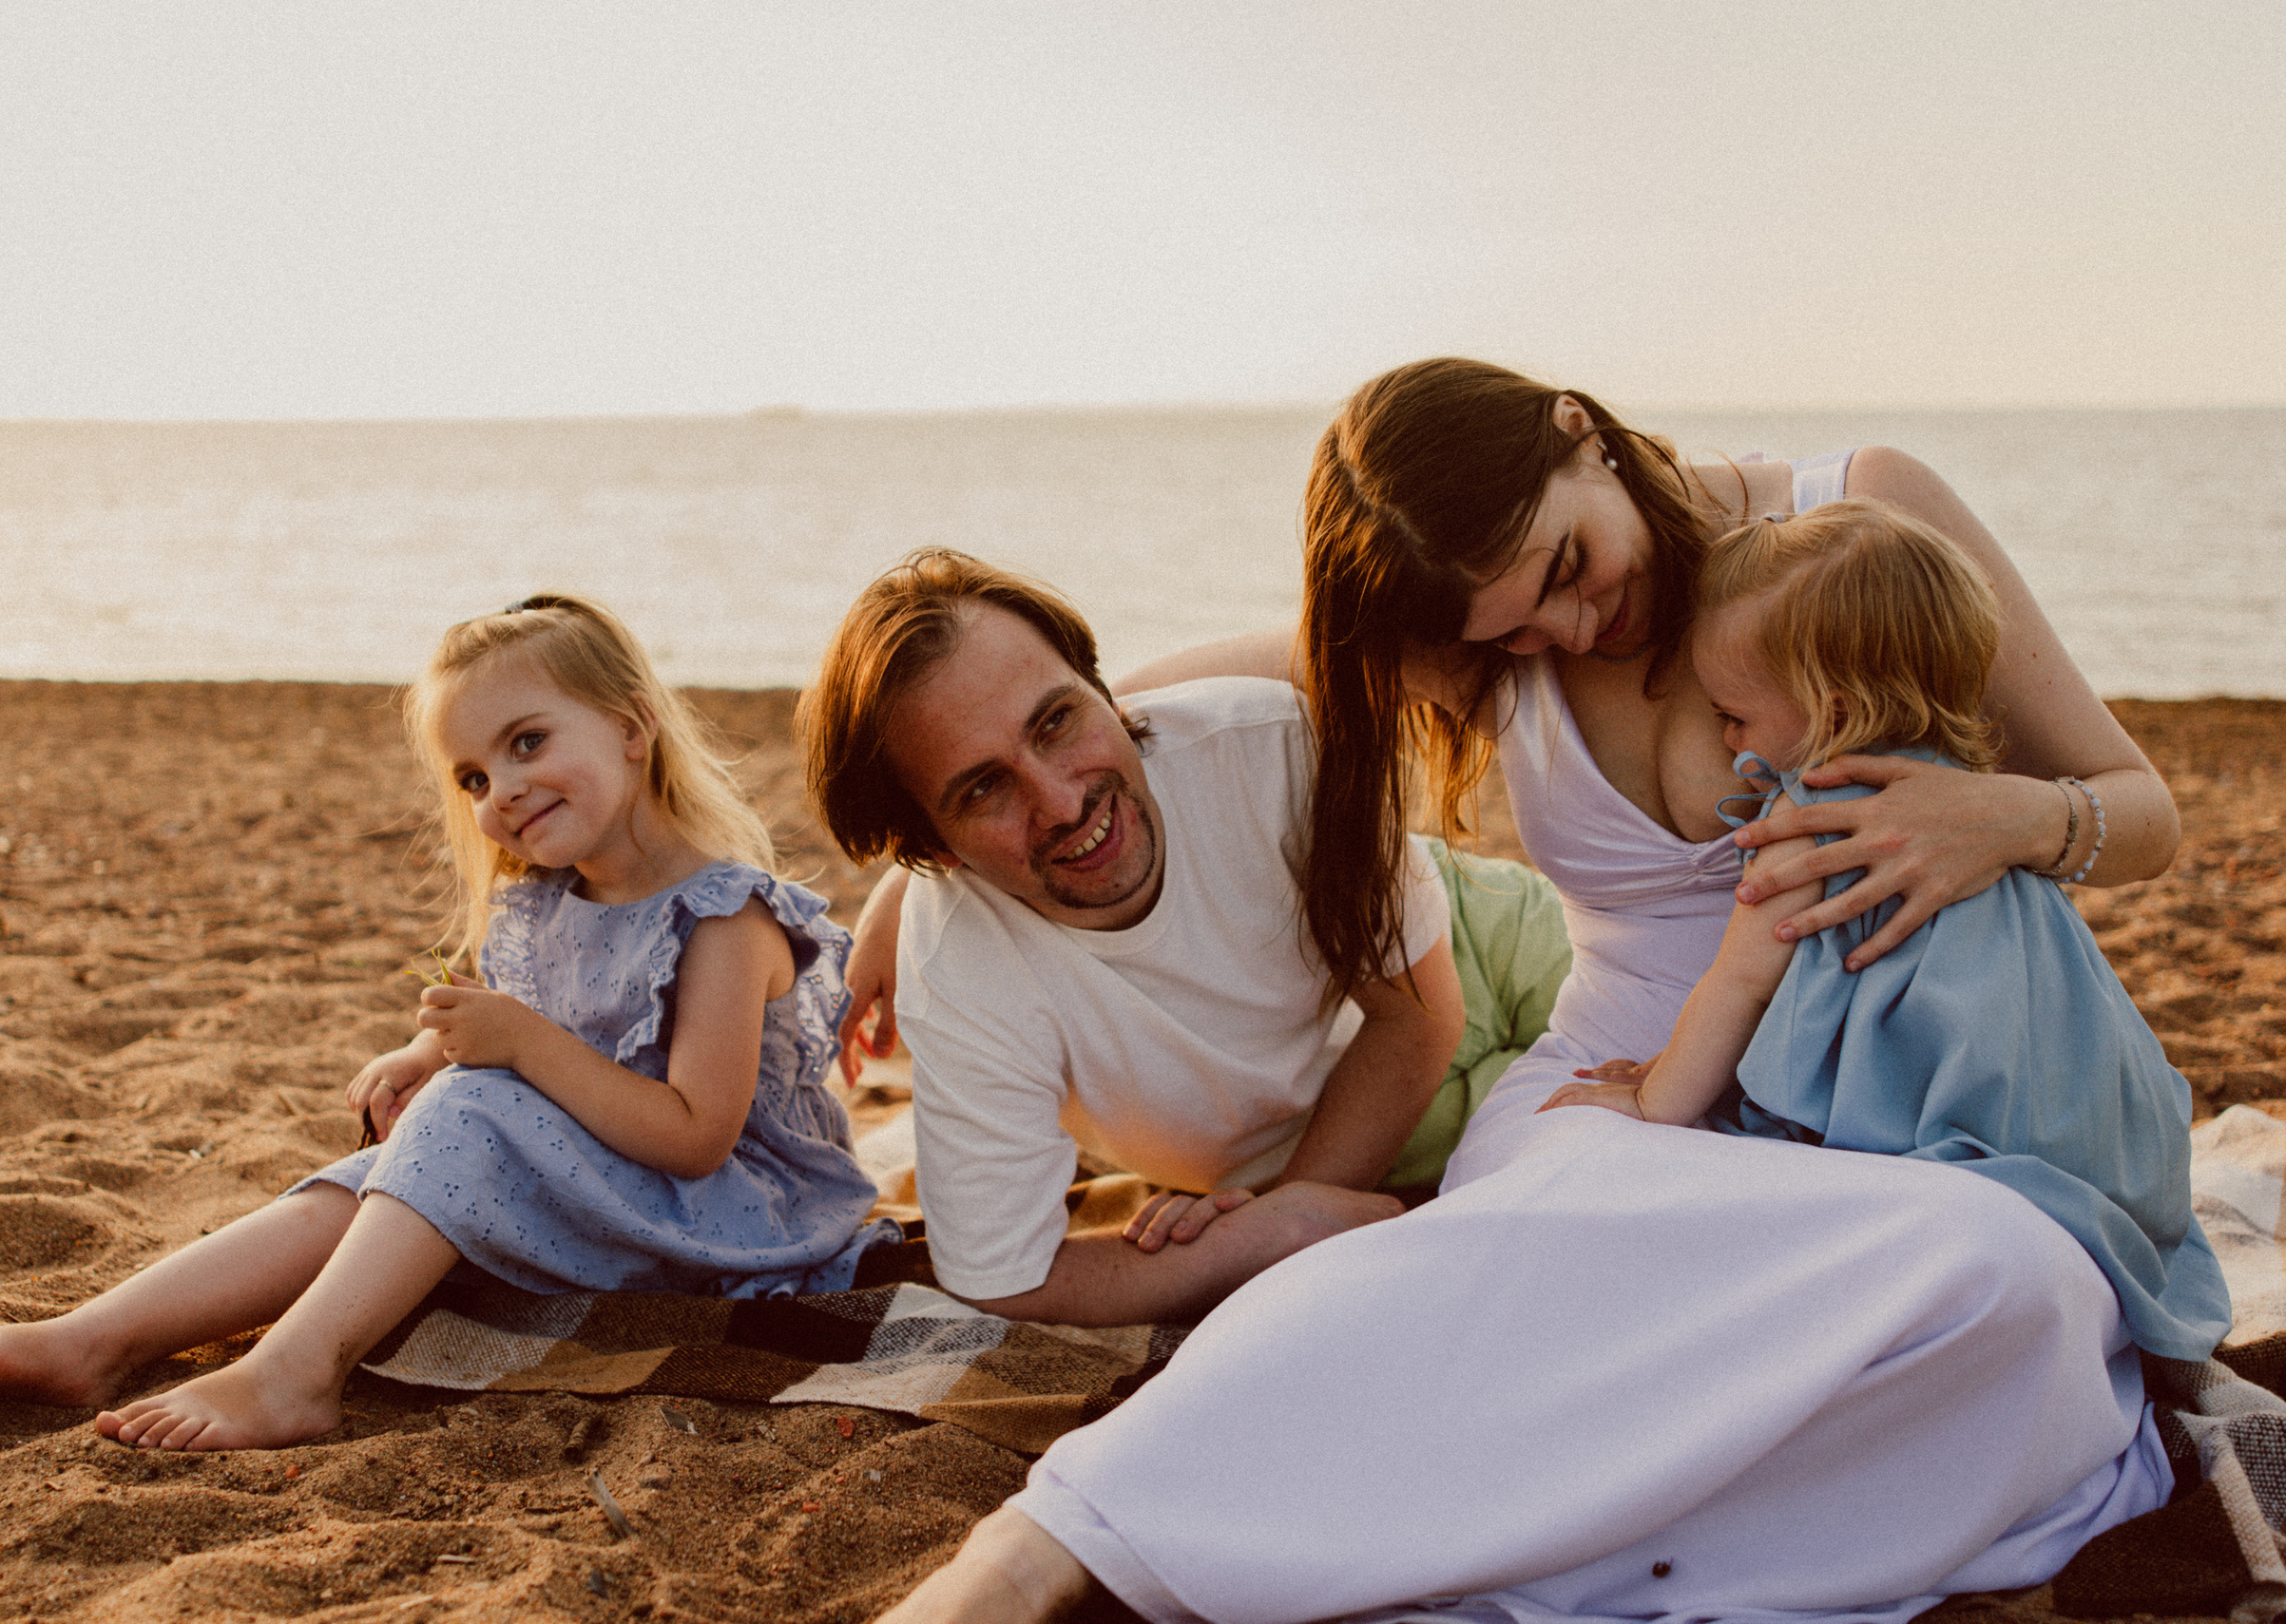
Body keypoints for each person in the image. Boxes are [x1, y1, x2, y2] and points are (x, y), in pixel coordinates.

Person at [877, 358, 2183, 1624]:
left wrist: (2001, 817)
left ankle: (1572, 1551)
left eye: (1567, 566)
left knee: (2017, 1281)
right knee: (1497, 1256)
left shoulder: (1857, 514)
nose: (1571, 628)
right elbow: (1142, 697)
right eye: (1512, 627)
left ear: (1581, 430)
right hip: (1609, 1098)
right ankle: (1065, 1533)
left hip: (1878, 1113)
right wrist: (919, 872)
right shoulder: (1486, 635)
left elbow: (2145, 812)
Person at [0, 594, 892, 1451]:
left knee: (471, 1113)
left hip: (732, 1224)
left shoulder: (722, 916)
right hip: (615, 1186)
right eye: (472, 776)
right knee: (381, 1170)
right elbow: (506, 1022)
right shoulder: (547, 901)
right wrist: (426, 1050)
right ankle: (95, 1337)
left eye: (528, 742)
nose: (501, 790)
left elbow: (692, 1136)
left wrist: (515, 1049)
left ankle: (295, 1371)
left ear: (632, 727)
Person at [801, 549, 1570, 1327]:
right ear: (938, 850)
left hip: (1486, 956)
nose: (1062, 802)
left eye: (1057, 720)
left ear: (1102, 688)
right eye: (984, 787)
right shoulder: (959, 966)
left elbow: (1419, 1014)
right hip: (1372, 1138)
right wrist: (1270, 1229)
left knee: (1686, 1109)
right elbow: (1004, 1279)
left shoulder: (1273, 744)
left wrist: (1290, 1213)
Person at [1540, 499, 2226, 1363]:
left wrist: (1654, 1095)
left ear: (1826, 706)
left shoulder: (1805, 821)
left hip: (1941, 1127)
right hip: (2081, 1115)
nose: (1726, 733)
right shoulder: (1968, 797)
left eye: (1734, 714)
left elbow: (1739, 984)